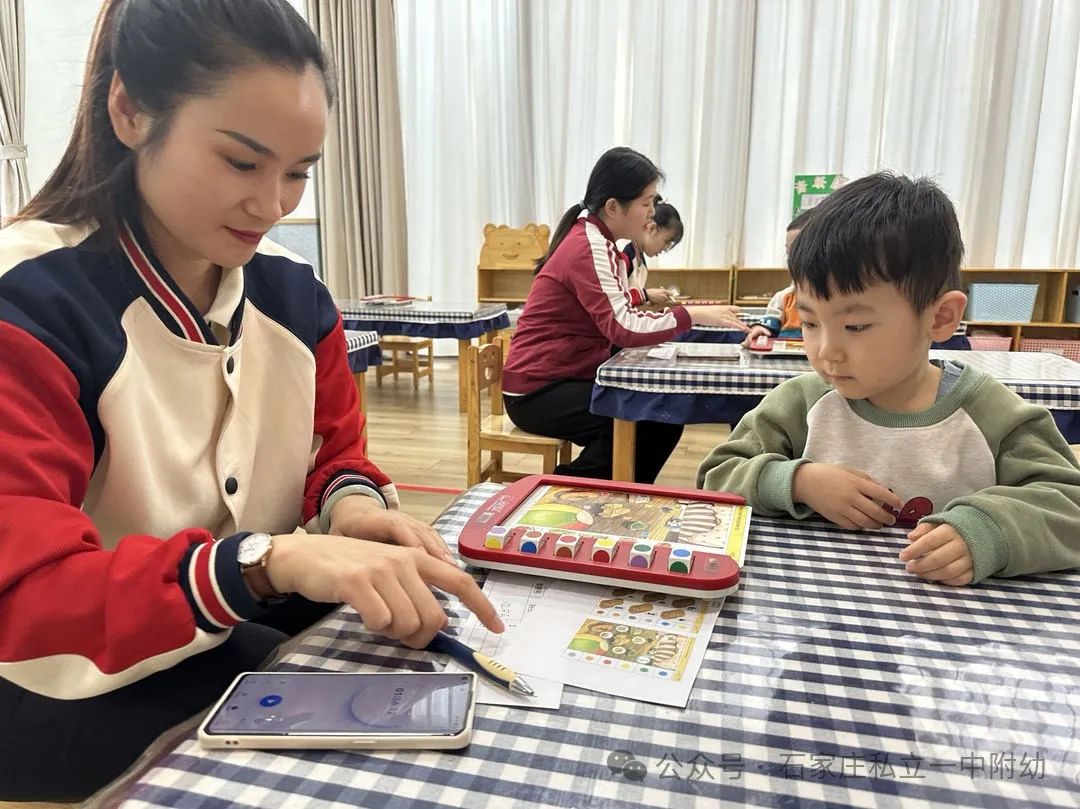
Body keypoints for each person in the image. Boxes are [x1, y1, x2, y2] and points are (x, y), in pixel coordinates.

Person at [0, 0, 500, 800]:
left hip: (225, 635)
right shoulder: (31, 304)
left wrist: (352, 506)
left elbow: (334, 455)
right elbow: (26, 594)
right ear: (129, 110)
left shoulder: (297, 300)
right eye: (241, 163)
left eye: (299, 172)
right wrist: (265, 561)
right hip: (59, 686)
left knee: (425, 674)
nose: (274, 206)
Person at [698, 172, 1080, 586]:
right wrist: (798, 481)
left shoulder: (992, 414)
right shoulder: (802, 402)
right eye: (809, 322)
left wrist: (989, 532)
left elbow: (1069, 506)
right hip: (817, 615)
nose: (826, 351)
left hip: (952, 633)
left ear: (940, 318)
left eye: (857, 326)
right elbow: (717, 476)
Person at [502, 147, 746, 484]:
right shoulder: (588, 245)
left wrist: (681, 311)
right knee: (648, 418)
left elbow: (616, 309)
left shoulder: (599, 242)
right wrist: (692, 314)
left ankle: (610, 492)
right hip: (538, 390)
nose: (651, 214)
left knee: (658, 417)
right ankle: (566, 490)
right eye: (646, 203)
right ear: (613, 207)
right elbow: (622, 326)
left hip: (561, 377)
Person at [743, 208, 813, 346]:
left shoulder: (839, 299)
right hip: (785, 358)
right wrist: (760, 330)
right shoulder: (784, 297)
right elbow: (768, 326)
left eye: (801, 252)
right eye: (789, 253)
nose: (793, 260)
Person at [622, 200, 684, 307]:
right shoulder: (624, 255)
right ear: (652, 228)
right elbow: (614, 302)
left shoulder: (641, 261)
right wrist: (645, 295)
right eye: (666, 242)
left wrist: (647, 299)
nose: (665, 249)